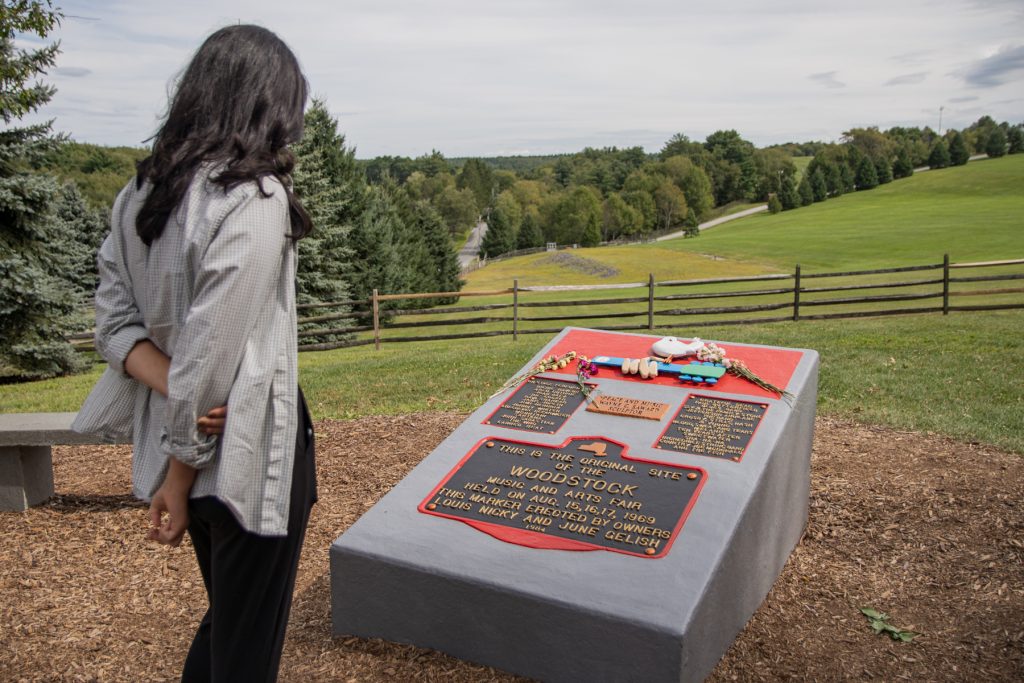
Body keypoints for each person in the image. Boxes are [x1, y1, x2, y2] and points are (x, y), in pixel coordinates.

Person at [83, 25, 317, 682]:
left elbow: (113, 322)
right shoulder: (254, 198)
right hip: (245, 452)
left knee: (229, 621)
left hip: (183, 442)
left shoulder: (138, 196)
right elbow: (213, 358)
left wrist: (168, 388)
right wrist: (178, 481)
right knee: (245, 649)